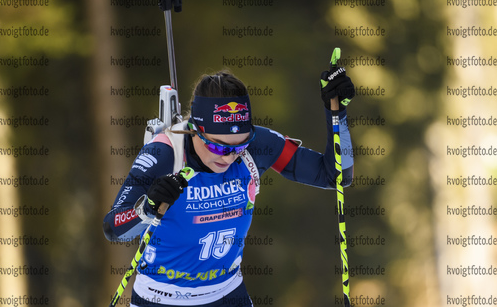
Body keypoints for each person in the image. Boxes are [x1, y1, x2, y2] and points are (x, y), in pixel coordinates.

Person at [103, 68, 355, 307]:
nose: (229, 157)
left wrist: (337, 113)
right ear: (194, 130)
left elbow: (335, 176)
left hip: (227, 295)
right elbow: (113, 228)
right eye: (218, 147)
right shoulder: (165, 154)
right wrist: (147, 209)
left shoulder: (258, 147)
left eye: (239, 146)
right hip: (161, 298)